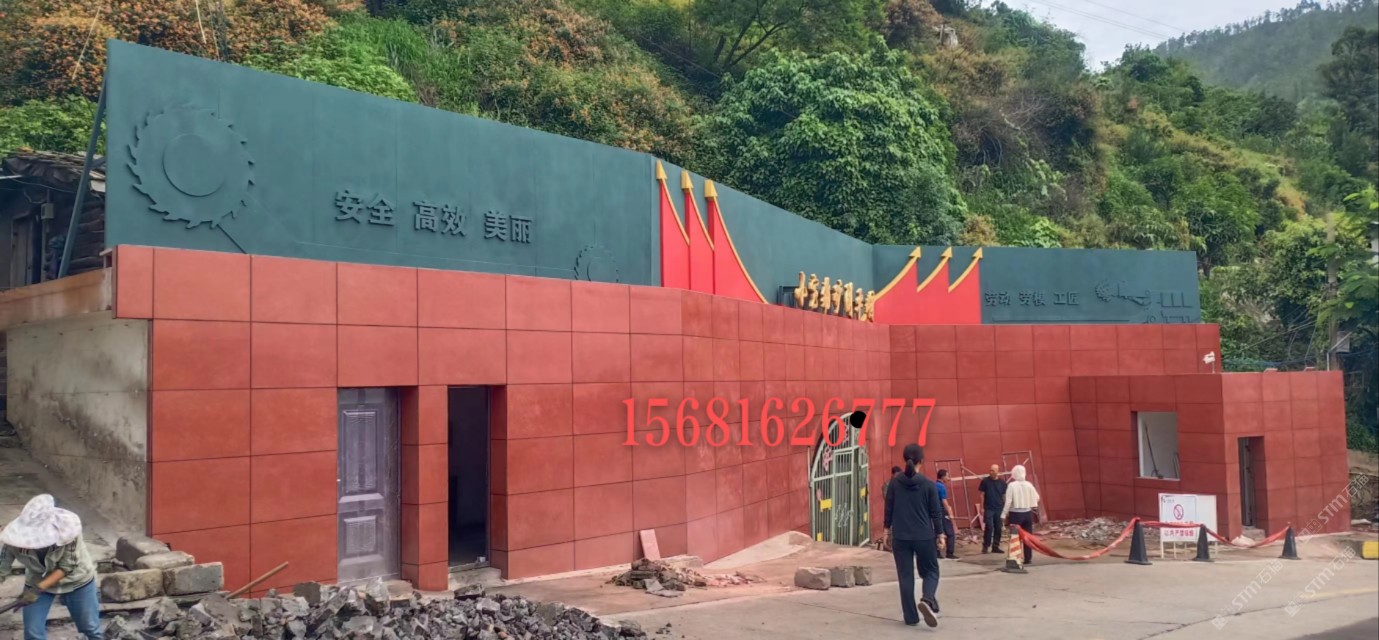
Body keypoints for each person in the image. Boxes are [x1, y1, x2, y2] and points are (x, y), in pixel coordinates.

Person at [0, 495, 102, 640]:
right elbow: (1, 568)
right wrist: (35, 588)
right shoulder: (13, 539)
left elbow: (66, 567)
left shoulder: (69, 533)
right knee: (33, 631)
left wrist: (36, 590)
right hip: (37, 579)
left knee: (90, 627)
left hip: (77, 581)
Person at [884, 444, 944, 628]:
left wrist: (886, 530)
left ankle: (910, 617)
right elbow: (936, 513)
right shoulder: (928, 485)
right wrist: (940, 534)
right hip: (924, 536)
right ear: (921, 461)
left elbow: (889, 508)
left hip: (901, 536)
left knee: (905, 576)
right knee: (931, 571)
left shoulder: (895, 483)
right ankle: (927, 598)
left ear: (904, 459)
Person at [1001, 465, 1041, 565]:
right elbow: (1037, 497)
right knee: (1027, 537)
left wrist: (1003, 514)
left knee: (1015, 537)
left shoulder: (1012, 485)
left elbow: (1008, 501)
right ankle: (1028, 558)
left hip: (1015, 514)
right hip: (1028, 514)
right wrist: (1028, 502)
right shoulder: (1029, 484)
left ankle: (1015, 558)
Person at [978, 464, 1007, 554]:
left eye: (993, 471)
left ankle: (995, 546)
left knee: (998, 528)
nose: (990, 472)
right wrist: (982, 508)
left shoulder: (1002, 483)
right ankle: (986, 546)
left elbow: (1004, 496)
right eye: (990, 470)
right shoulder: (985, 481)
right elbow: (982, 495)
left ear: (997, 471)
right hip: (988, 508)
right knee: (989, 527)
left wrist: (1006, 508)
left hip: (999, 508)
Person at [935, 469, 958, 559]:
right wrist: (950, 513)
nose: (949, 478)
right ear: (943, 477)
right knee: (950, 533)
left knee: (936, 532)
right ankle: (950, 553)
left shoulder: (933, 485)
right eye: (947, 476)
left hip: (934, 512)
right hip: (942, 512)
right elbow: (944, 501)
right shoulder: (941, 487)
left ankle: (936, 552)